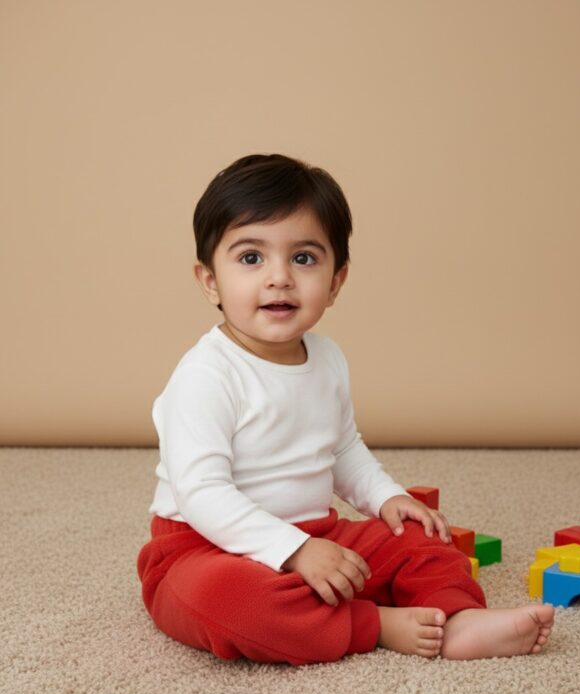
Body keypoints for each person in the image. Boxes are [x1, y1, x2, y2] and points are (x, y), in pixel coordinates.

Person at [137, 153, 554, 665]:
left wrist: (385, 498)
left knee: (420, 537)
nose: (279, 278)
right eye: (251, 258)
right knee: (231, 604)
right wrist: (292, 552)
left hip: (318, 533)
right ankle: (373, 625)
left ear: (336, 281)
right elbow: (201, 493)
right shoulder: (205, 376)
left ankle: (457, 617)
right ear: (209, 282)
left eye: (304, 258)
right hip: (203, 549)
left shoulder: (328, 359)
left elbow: (341, 448)